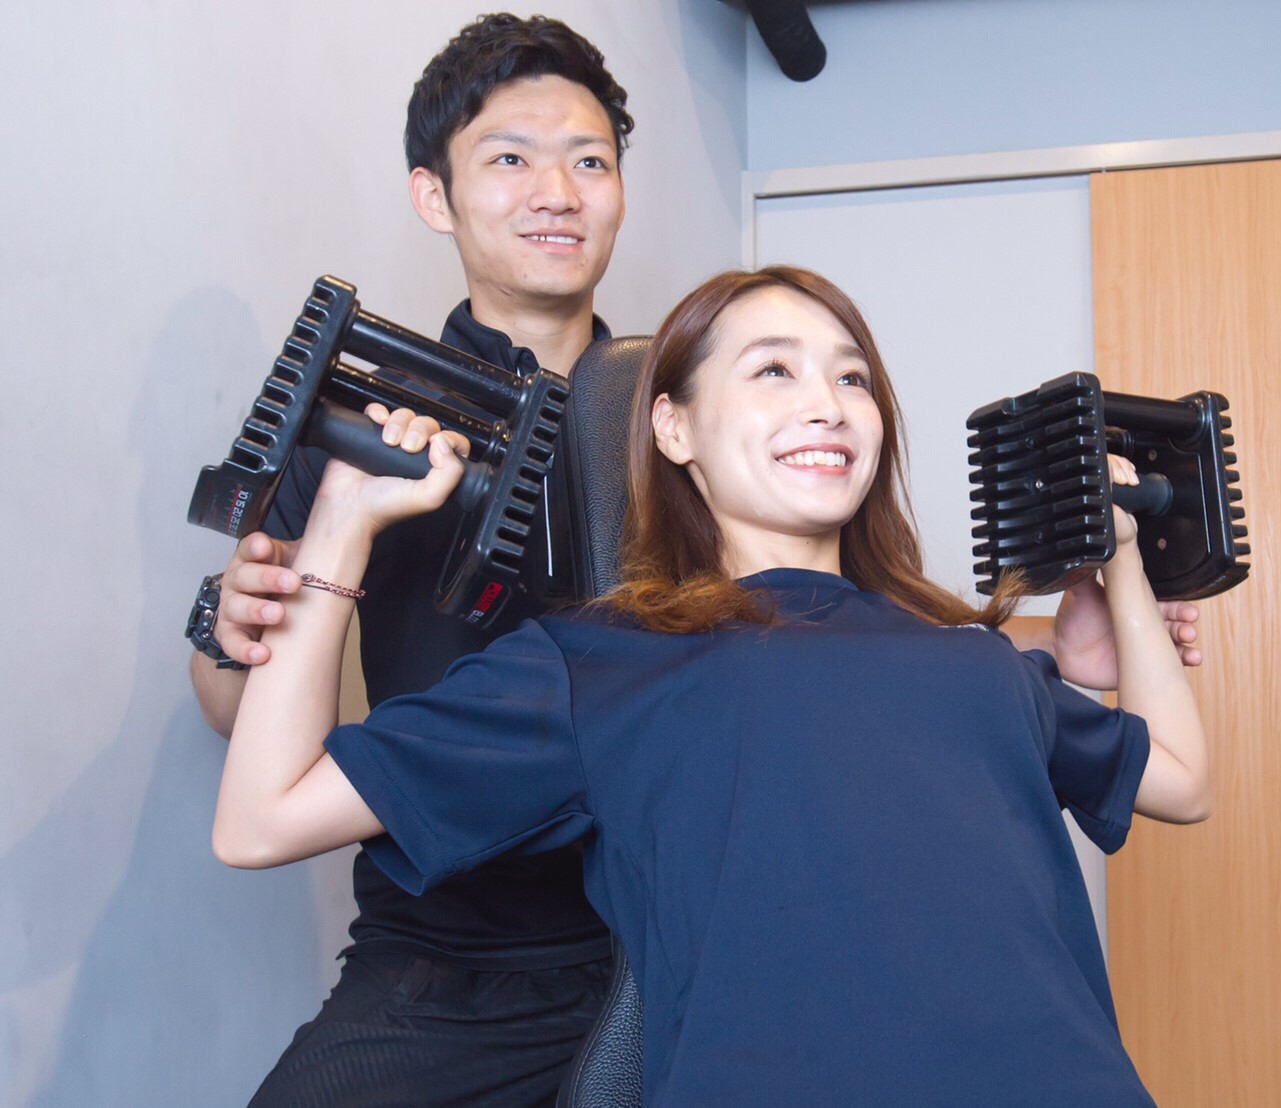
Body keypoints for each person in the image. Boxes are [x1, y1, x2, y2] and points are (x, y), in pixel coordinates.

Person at [212, 266, 1212, 1106]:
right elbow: (261, 818)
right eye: (774, 369)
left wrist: (1122, 564)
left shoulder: (972, 658)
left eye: (852, 377)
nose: (827, 403)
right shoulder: (603, 665)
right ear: (672, 427)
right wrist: (340, 523)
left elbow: (1179, 778)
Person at [187, 15, 631, 1105]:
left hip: (667, 929)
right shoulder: (364, 422)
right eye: (510, 160)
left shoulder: (676, 420)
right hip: (449, 955)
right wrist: (234, 631)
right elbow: (229, 706)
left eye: (589, 162)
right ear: (435, 196)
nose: (557, 193)